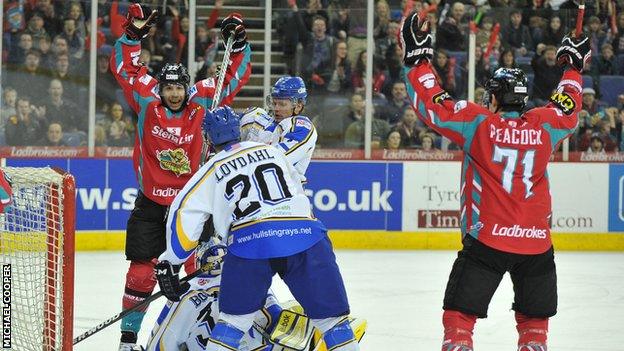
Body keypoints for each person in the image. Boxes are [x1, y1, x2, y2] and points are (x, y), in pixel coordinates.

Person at [399, 12, 590, 351]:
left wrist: (417, 61)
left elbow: (434, 105)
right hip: (537, 245)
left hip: (487, 241)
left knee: (459, 320)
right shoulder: (544, 125)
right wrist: (573, 67)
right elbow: (569, 105)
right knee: (534, 328)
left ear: (497, 97)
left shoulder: (479, 124)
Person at [155, 106, 360, 351]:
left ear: (208, 138)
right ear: (238, 132)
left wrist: (171, 263)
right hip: (305, 234)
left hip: (251, 241)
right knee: (333, 323)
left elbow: (184, 213)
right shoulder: (272, 151)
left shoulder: (209, 170)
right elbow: (297, 185)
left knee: (233, 323)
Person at [109, 4, 251, 350]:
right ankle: (129, 339)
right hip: (152, 204)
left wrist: (241, 45)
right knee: (141, 274)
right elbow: (124, 69)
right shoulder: (146, 98)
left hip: (191, 207)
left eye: (179, 88)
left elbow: (232, 77)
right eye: (168, 88)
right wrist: (132, 37)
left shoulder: (203, 99)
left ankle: (180, 337)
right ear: (161, 87)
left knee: (194, 276)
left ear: (187, 87)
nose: (174, 93)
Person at [147, 238, 366, 351]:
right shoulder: (247, 280)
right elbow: (276, 319)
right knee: (297, 311)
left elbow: (160, 344)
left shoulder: (184, 298)